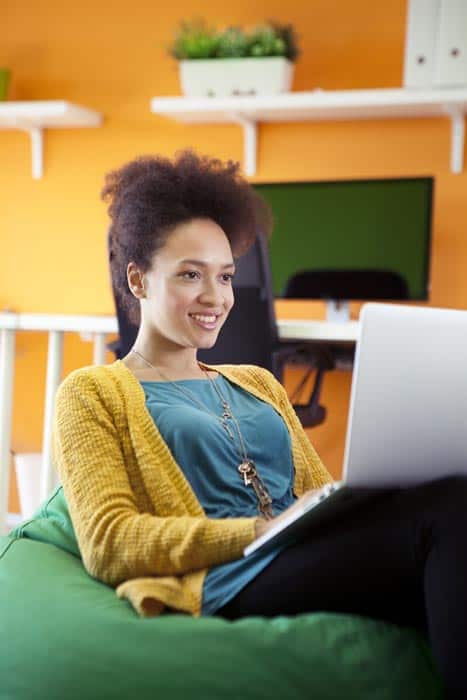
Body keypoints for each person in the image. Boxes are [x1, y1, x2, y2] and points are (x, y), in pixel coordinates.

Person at [53, 150, 467, 699]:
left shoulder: (257, 381)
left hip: (299, 554)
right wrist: (258, 533)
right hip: (229, 577)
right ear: (139, 280)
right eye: (190, 275)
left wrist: (347, 503)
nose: (216, 298)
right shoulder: (92, 392)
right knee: (448, 514)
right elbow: (109, 542)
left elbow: (318, 493)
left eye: (225, 277)